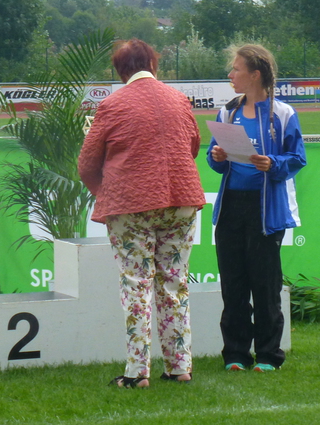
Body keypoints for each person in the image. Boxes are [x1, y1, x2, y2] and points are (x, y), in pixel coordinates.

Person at [78, 39, 205, 388]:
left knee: (136, 285)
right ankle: (179, 366)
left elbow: (87, 164)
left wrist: (107, 192)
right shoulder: (178, 99)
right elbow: (192, 146)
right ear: (154, 63)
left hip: (131, 205)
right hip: (181, 199)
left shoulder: (112, 105)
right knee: (175, 282)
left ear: (121, 70)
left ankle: (137, 372)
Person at [206, 44, 306, 373]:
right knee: (233, 284)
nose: (230, 75)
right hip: (231, 207)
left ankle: (267, 355)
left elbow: (297, 158)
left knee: (264, 285)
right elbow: (215, 161)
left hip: (266, 210)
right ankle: (235, 354)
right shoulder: (228, 112)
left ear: (255, 75)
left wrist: (272, 163)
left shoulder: (283, 114)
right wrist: (217, 157)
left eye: (236, 69)